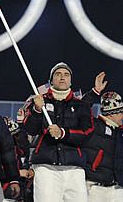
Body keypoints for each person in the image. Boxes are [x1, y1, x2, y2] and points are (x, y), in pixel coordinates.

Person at [23, 62, 96, 202]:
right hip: (46, 168)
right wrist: (37, 111)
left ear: (70, 80)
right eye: (58, 74)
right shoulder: (40, 101)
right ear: (51, 81)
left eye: (66, 74)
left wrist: (63, 133)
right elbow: (30, 129)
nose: (62, 77)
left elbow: (88, 133)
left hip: (75, 169)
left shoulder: (81, 106)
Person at [82, 91, 123, 202]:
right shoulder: (93, 127)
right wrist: (94, 92)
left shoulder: (121, 133)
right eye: (120, 113)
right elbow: (80, 111)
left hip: (118, 189)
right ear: (111, 114)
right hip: (96, 188)